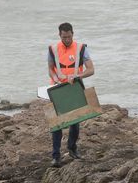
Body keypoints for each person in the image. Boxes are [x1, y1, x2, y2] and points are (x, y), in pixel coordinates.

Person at [48, 22, 95, 168]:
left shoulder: (81, 48)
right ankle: (56, 157)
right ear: (59, 35)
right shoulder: (53, 49)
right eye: (64, 37)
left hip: (75, 88)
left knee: (74, 123)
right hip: (57, 88)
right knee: (56, 124)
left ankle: (72, 148)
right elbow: (50, 69)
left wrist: (78, 76)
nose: (67, 39)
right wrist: (56, 80)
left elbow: (91, 70)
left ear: (73, 34)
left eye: (69, 37)